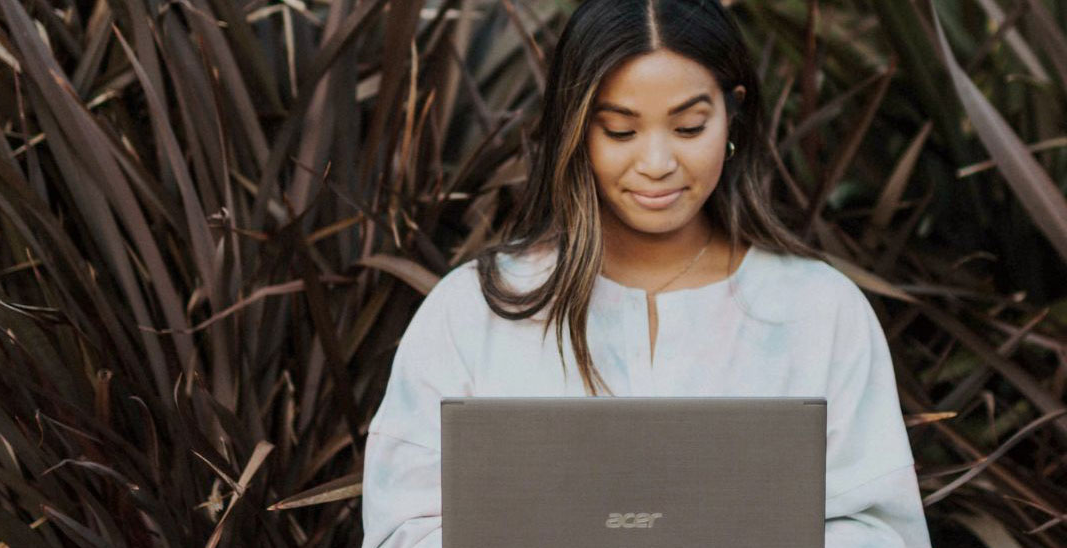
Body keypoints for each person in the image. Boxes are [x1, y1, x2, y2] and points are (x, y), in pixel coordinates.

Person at [360, 1, 933, 547]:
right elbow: (405, 525)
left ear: (732, 113)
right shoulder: (476, 310)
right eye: (620, 131)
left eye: (688, 128)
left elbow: (880, 527)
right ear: (575, 129)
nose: (657, 165)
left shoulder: (818, 309)